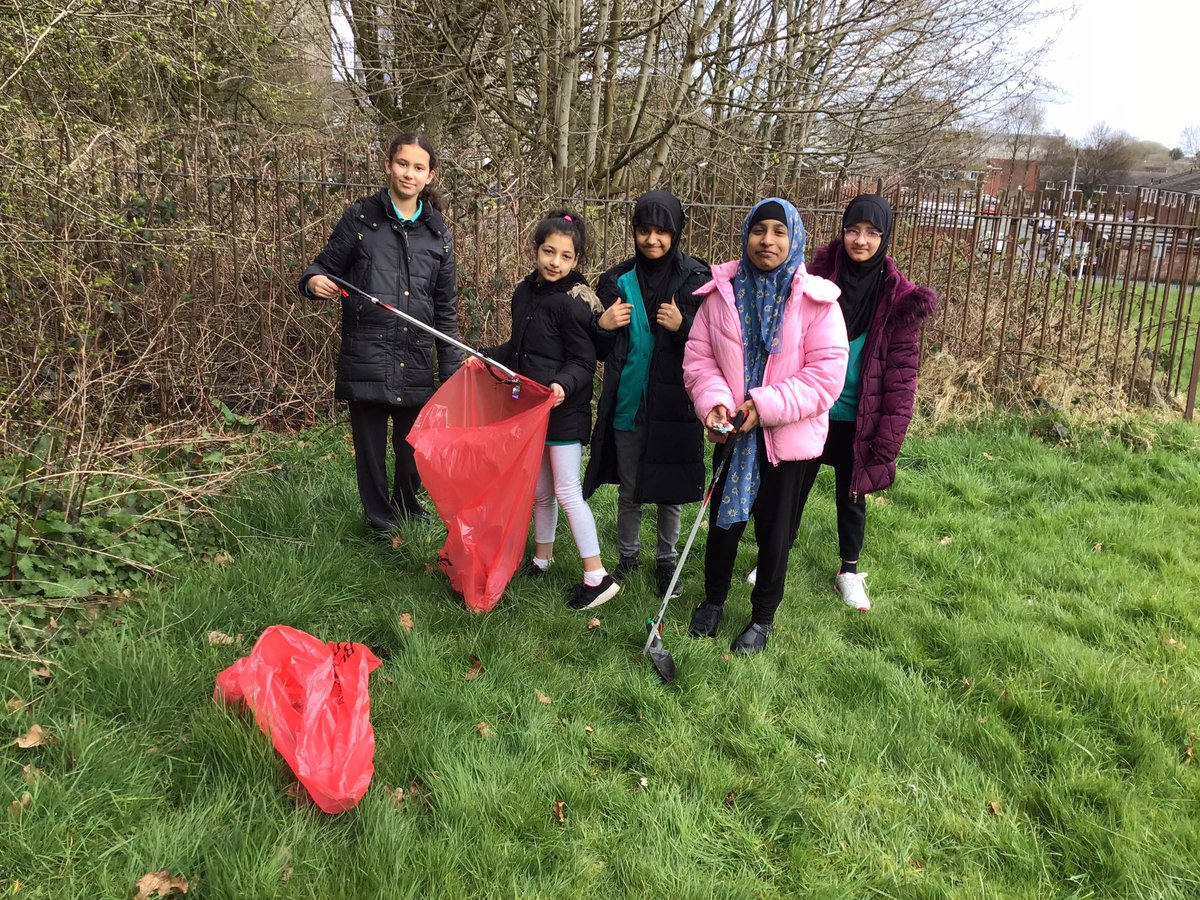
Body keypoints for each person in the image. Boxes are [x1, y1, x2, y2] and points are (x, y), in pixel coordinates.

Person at [745, 194, 938, 612]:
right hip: (811, 410)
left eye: (872, 233)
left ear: (884, 238)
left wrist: (888, 439)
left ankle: (848, 572)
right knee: (790, 492)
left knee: (852, 498)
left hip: (859, 418)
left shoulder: (899, 300)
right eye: (853, 230)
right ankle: (774, 559)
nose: (861, 240)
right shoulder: (812, 278)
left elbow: (902, 376)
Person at [682, 198, 848, 655]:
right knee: (722, 523)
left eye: (779, 231)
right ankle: (713, 600)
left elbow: (824, 379)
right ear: (745, 235)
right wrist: (715, 404)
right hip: (734, 431)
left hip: (785, 438)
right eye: (759, 230)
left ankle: (762, 617)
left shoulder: (818, 302)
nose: (767, 240)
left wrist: (764, 405)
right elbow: (700, 359)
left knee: (776, 532)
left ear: (794, 238)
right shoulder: (721, 293)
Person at [299, 132, 460, 534]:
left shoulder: (438, 235)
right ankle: (379, 519)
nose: (409, 173)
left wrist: (451, 373)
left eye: (418, 167)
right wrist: (314, 282)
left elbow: (445, 308)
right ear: (388, 165)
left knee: (413, 451)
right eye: (402, 164)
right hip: (367, 355)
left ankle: (407, 506)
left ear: (430, 176)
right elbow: (320, 269)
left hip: (417, 358)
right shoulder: (360, 220)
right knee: (370, 451)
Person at [488, 210, 620, 611]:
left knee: (566, 491)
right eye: (548, 252)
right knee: (541, 491)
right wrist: (486, 357)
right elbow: (518, 348)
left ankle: (596, 576)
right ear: (535, 250)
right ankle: (541, 560)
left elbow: (583, 362)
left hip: (565, 410)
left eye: (565, 256)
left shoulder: (572, 303)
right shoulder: (523, 293)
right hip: (531, 407)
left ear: (576, 261)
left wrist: (562, 385)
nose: (555, 262)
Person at [583, 190, 711, 600]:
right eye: (643, 230)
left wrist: (684, 325)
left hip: (675, 406)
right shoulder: (616, 281)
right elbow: (596, 349)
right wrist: (603, 324)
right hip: (629, 402)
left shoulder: (696, 279)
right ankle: (627, 557)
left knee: (669, 490)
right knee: (631, 487)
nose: (652, 239)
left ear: (676, 231)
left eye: (661, 231)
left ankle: (666, 559)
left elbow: (714, 342)